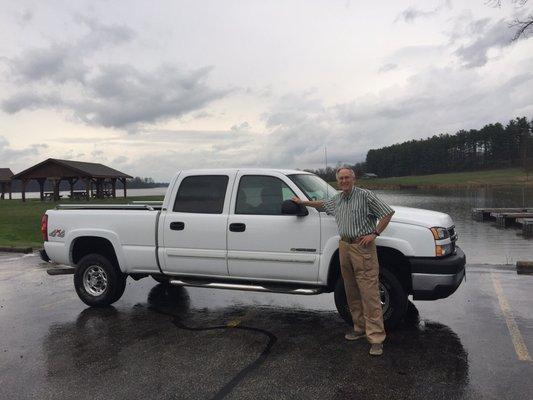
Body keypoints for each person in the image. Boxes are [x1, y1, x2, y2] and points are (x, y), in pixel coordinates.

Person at [292, 166, 394, 356]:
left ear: (353, 178)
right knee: (351, 289)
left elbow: (387, 213)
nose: (344, 181)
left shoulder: (365, 196)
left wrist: (374, 234)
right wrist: (302, 202)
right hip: (344, 246)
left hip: (362, 247)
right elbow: (322, 204)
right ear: (337, 181)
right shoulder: (337, 199)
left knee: (369, 292)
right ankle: (359, 328)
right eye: (341, 178)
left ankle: (376, 338)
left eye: (347, 177)